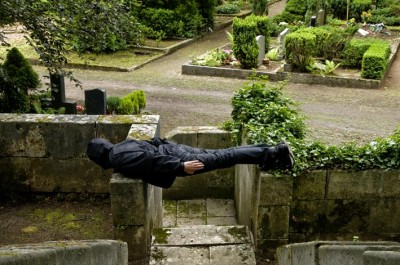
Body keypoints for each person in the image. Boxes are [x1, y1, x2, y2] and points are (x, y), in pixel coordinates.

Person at [87, 137, 294, 189]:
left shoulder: (118, 158)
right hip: (175, 149)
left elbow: (150, 160)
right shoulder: (122, 145)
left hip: (180, 159)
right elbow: (153, 142)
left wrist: (180, 167)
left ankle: (275, 151)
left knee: (226, 156)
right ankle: (268, 150)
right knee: (225, 153)